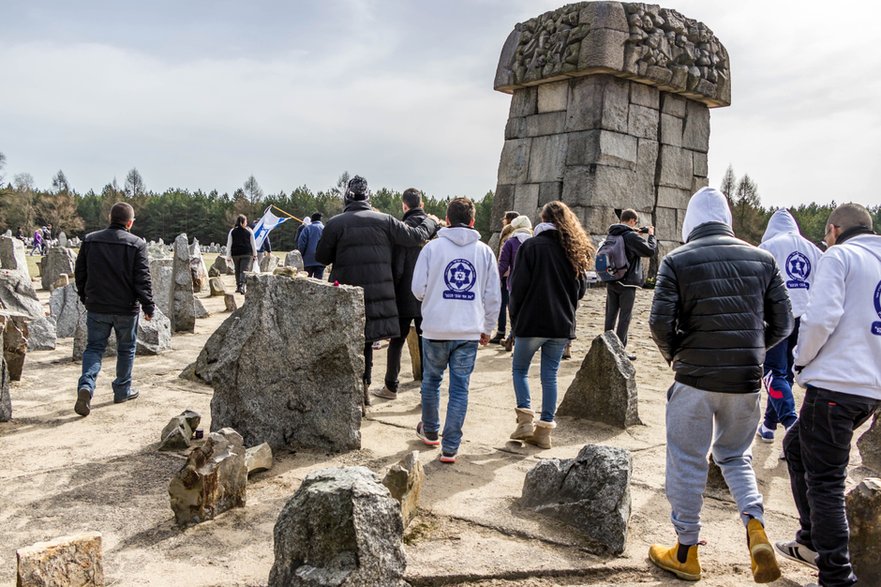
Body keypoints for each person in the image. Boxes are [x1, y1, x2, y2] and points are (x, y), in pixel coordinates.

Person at [648, 187, 792, 583]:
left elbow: (659, 322)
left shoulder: (677, 260)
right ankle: (755, 525)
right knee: (735, 456)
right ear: (726, 219)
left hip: (694, 378)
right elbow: (784, 323)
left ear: (690, 222)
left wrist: (676, 354)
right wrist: (752, 351)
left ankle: (685, 551)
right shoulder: (764, 260)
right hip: (744, 380)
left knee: (687, 459)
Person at [777, 203, 881, 587]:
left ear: (835, 229)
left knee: (826, 482)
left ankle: (836, 574)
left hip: (835, 384)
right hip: (870, 388)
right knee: (796, 447)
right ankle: (809, 540)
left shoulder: (839, 256)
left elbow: (819, 318)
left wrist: (801, 363)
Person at [315, 175, 438, 407]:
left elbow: (321, 257)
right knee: (369, 339)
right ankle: (365, 387)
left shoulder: (336, 223)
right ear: (368, 197)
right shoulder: (386, 221)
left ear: (347, 197)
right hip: (380, 292)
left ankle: (358, 388)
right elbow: (415, 236)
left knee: (356, 341)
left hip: (347, 293)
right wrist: (430, 222)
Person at [411, 197, 500, 463]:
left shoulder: (431, 249)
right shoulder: (484, 252)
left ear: (447, 220)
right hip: (468, 330)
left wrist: (434, 298)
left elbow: (417, 289)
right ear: (473, 221)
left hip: (436, 328)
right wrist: (488, 328)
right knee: (460, 388)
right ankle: (450, 447)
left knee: (431, 381)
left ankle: (430, 431)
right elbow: (493, 296)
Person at [507, 201, 592, 449]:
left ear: (542, 219)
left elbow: (517, 288)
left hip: (531, 321)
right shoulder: (574, 250)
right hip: (560, 324)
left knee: (520, 370)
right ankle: (544, 431)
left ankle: (524, 419)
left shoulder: (530, 247)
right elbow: (581, 290)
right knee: (550, 376)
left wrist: (515, 320)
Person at [73, 202, 154, 417]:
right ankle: (122, 390)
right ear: (130, 222)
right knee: (126, 348)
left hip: (97, 305)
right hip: (126, 308)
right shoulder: (137, 244)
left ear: (110, 218)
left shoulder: (90, 240)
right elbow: (142, 278)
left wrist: (85, 296)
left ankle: (86, 387)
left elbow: (80, 272)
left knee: (94, 348)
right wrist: (148, 305)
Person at [756, 209, 822, 443]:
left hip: (777, 317)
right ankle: (768, 425)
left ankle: (791, 423)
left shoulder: (768, 248)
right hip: (807, 317)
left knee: (773, 372)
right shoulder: (815, 251)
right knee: (788, 373)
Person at [373, 189, 428, 400]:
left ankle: (391, 386)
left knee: (397, 341)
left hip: (405, 292)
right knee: (427, 340)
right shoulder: (433, 228)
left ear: (405, 205)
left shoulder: (402, 228)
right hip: (428, 295)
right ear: (421, 204)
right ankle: (427, 387)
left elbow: (398, 266)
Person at [603, 208, 656, 360]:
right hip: (627, 282)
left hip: (612, 279)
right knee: (625, 317)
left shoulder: (613, 233)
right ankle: (619, 351)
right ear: (632, 221)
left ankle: (606, 348)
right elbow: (650, 251)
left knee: (610, 315)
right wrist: (650, 236)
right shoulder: (630, 236)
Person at [497, 215, 533, 351]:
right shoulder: (534, 241)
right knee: (526, 314)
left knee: (514, 314)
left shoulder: (510, 242)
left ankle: (513, 340)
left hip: (514, 282)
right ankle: (513, 340)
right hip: (532, 284)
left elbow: (503, 265)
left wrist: (496, 279)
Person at [490, 211, 520, 345]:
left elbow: (504, 259)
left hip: (506, 276)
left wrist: (499, 275)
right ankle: (512, 334)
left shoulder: (508, 235)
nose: (503, 220)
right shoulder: (521, 235)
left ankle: (501, 332)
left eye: (505, 218)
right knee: (513, 306)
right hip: (516, 276)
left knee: (502, 304)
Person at [226, 214, 257, 294]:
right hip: (246, 253)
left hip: (235, 253)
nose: (246, 222)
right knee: (244, 270)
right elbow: (253, 243)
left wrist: (228, 256)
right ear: (242, 222)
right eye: (245, 221)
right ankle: (242, 285)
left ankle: (238, 286)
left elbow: (229, 244)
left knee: (237, 270)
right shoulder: (249, 231)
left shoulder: (232, 231)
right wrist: (255, 254)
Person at [297, 212, 326, 279]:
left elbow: (301, 244)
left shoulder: (307, 228)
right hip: (321, 260)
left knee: (307, 280)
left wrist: (301, 255)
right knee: (319, 282)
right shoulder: (325, 229)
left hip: (308, 260)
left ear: (312, 220)